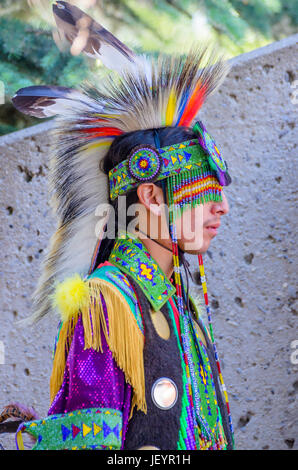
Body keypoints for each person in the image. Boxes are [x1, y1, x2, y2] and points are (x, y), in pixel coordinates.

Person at [10, 1, 234, 450]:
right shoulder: (106, 306)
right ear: (150, 196)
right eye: (203, 191)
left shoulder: (179, 299)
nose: (222, 207)